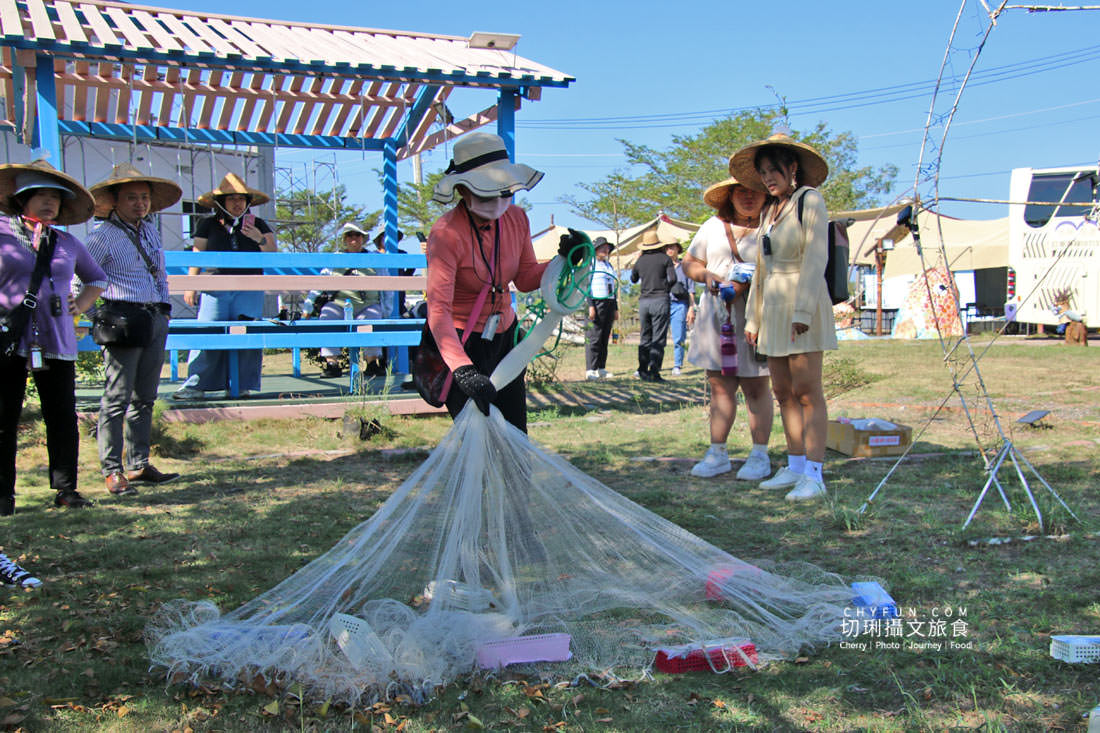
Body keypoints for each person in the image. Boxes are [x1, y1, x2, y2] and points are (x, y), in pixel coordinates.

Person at [426, 131, 583, 432]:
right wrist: (463, 369)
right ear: (463, 190)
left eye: (504, 190)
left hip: (506, 341)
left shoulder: (517, 219)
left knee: (514, 430)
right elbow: (438, 309)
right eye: (486, 191)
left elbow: (525, 277)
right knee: (477, 435)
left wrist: (562, 260)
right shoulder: (446, 233)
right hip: (462, 340)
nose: (497, 200)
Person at [731, 133, 838, 501]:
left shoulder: (810, 200)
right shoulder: (769, 212)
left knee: (808, 392)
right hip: (773, 309)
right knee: (783, 393)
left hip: (802, 304)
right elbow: (761, 269)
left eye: (773, 170)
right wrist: (753, 318)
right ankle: (794, 466)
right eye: (762, 173)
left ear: (792, 168)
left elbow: (816, 257)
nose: (767, 179)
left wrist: (803, 309)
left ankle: (815, 474)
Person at [0, 160, 107, 512]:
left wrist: (81, 304)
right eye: (42, 195)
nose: (50, 203)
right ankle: (3, 495)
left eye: (56, 198)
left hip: (56, 340)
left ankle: (66, 490)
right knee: (4, 418)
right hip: (8, 339)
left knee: (61, 417)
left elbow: (97, 278)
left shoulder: (67, 242)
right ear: (22, 199)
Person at [85, 164, 183, 497]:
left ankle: (139, 463)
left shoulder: (151, 230)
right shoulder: (102, 235)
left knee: (145, 397)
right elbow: (78, 277)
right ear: (115, 200)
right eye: (131, 197)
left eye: (144, 197)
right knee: (117, 397)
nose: (139, 203)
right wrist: (96, 315)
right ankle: (112, 470)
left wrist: (164, 310)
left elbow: (160, 274)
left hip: (154, 316)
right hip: (122, 319)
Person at [683, 176, 774, 481]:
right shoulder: (712, 226)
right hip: (717, 317)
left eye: (755, 192)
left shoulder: (773, 225)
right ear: (730, 196)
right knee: (720, 386)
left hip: (757, 317)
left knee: (756, 386)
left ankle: (759, 455)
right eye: (741, 192)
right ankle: (717, 453)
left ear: (765, 195)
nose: (748, 197)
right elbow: (690, 262)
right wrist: (707, 276)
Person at [173, 174, 276, 400]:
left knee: (246, 333)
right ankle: (195, 385)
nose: (237, 203)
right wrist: (191, 285)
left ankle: (241, 385)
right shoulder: (208, 224)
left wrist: (258, 238)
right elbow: (197, 253)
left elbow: (272, 252)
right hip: (214, 286)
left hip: (249, 287)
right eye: (231, 199)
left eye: (241, 198)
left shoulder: (258, 224)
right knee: (208, 331)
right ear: (221, 202)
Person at [302, 222, 384, 378]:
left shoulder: (374, 258)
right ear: (345, 239)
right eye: (349, 235)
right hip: (339, 304)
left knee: (371, 320)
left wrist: (387, 310)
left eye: (357, 235)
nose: (353, 238)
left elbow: (388, 287)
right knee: (327, 316)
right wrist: (307, 309)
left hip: (367, 305)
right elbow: (319, 285)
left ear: (363, 238)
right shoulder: (335, 258)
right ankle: (332, 363)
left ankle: (372, 363)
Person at [630, 230, 676, 382]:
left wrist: (637, 262)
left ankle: (642, 370)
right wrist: (664, 288)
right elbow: (673, 279)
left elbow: (633, 279)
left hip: (644, 302)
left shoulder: (640, 261)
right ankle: (654, 372)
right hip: (660, 300)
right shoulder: (665, 259)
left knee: (645, 337)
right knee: (658, 338)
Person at [584, 236, 618, 380]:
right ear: (596, 250)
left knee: (604, 336)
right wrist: (590, 306)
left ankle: (601, 368)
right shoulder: (590, 265)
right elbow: (585, 286)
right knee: (594, 337)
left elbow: (613, 287)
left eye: (607, 248)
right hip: (596, 302)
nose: (606, 250)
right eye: (602, 248)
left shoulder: (609, 266)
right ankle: (590, 369)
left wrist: (615, 307)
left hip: (608, 302)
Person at [666, 240, 696, 376]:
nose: (669, 250)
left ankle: (677, 365)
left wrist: (691, 308)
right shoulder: (662, 266)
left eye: (672, 247)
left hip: (680, 304)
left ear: (678, 249)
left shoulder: (685, 267)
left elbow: (691, 290)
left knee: (679, 337)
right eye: (667, 247)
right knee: (657, 336)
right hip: (663, 303)